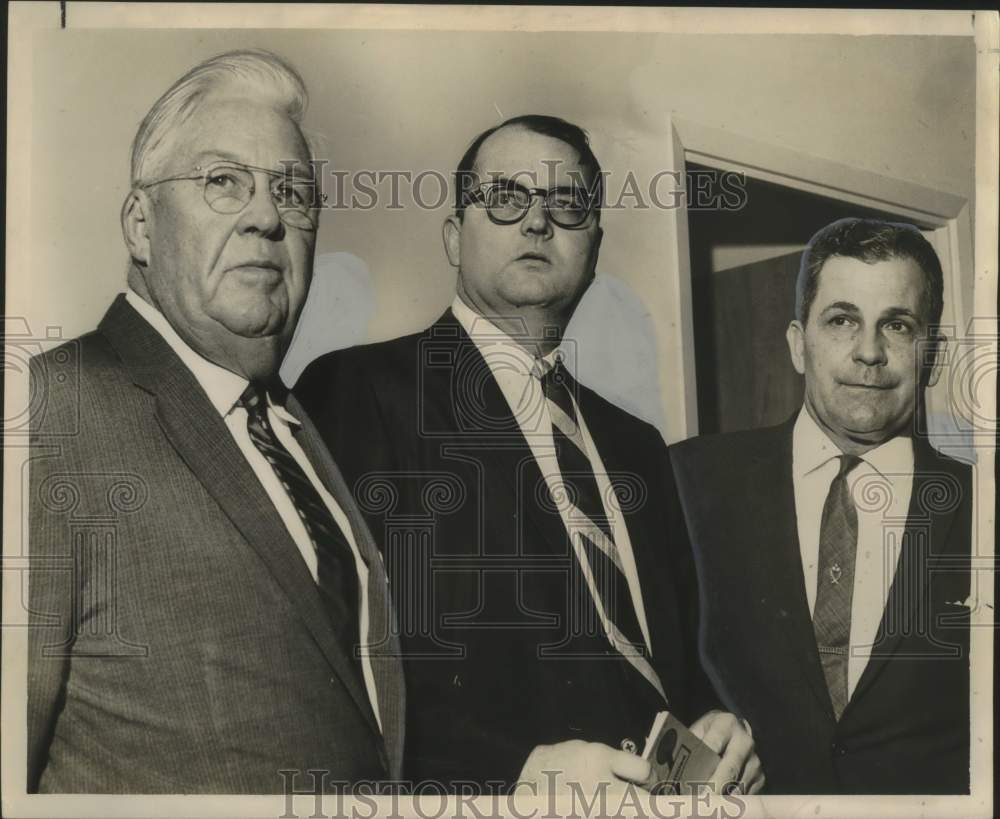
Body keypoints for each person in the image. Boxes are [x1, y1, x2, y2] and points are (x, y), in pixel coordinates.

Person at [295, 114, 762, 795]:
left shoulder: (637, 447)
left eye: (566, 204)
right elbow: (334, 664)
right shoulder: (359, 390)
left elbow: (668, 674)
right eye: (506, 198)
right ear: (454, 235)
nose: (537, 222)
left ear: (594, 247)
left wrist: (715, 725)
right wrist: (516, 771)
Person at [27, 49, 403, 793]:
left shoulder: (297, 431)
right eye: (223, 181)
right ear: (141, 224)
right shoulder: (49, 412)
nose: (266, 217)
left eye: (292, 192)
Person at [670, 218, 972, 793]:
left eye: (897, 325)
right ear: (797, 344)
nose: (869, 353)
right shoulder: (690, 479)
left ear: (931, 354)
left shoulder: (984, 509)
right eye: (841, 320)